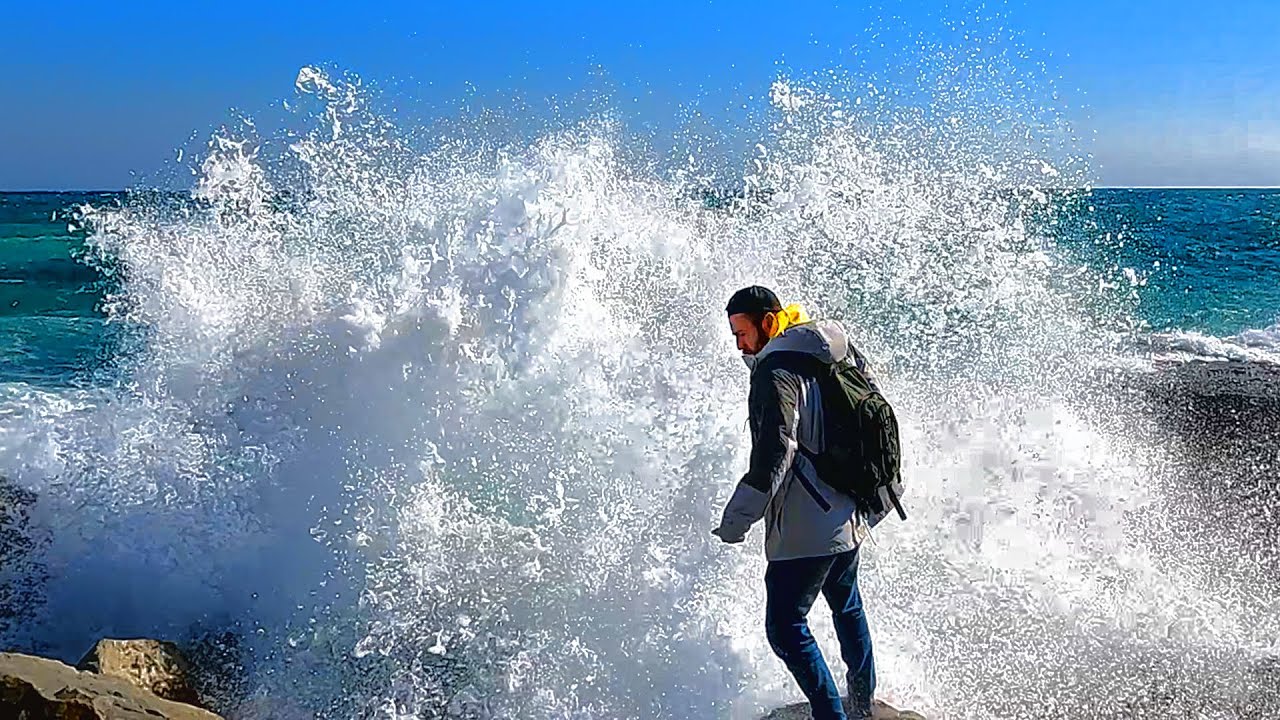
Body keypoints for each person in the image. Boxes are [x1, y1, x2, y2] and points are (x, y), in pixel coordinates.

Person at [712, 285, 889, 720]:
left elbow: (776, 452)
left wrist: (737, 520)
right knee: (848, 608)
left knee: (786, 628)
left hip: (808, 527)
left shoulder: (774, 369)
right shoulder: (833, 349)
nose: (739, 345)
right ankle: (863, 707)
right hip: (849, 512)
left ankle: (832, 717)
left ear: (769, 322)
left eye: (743, 333)